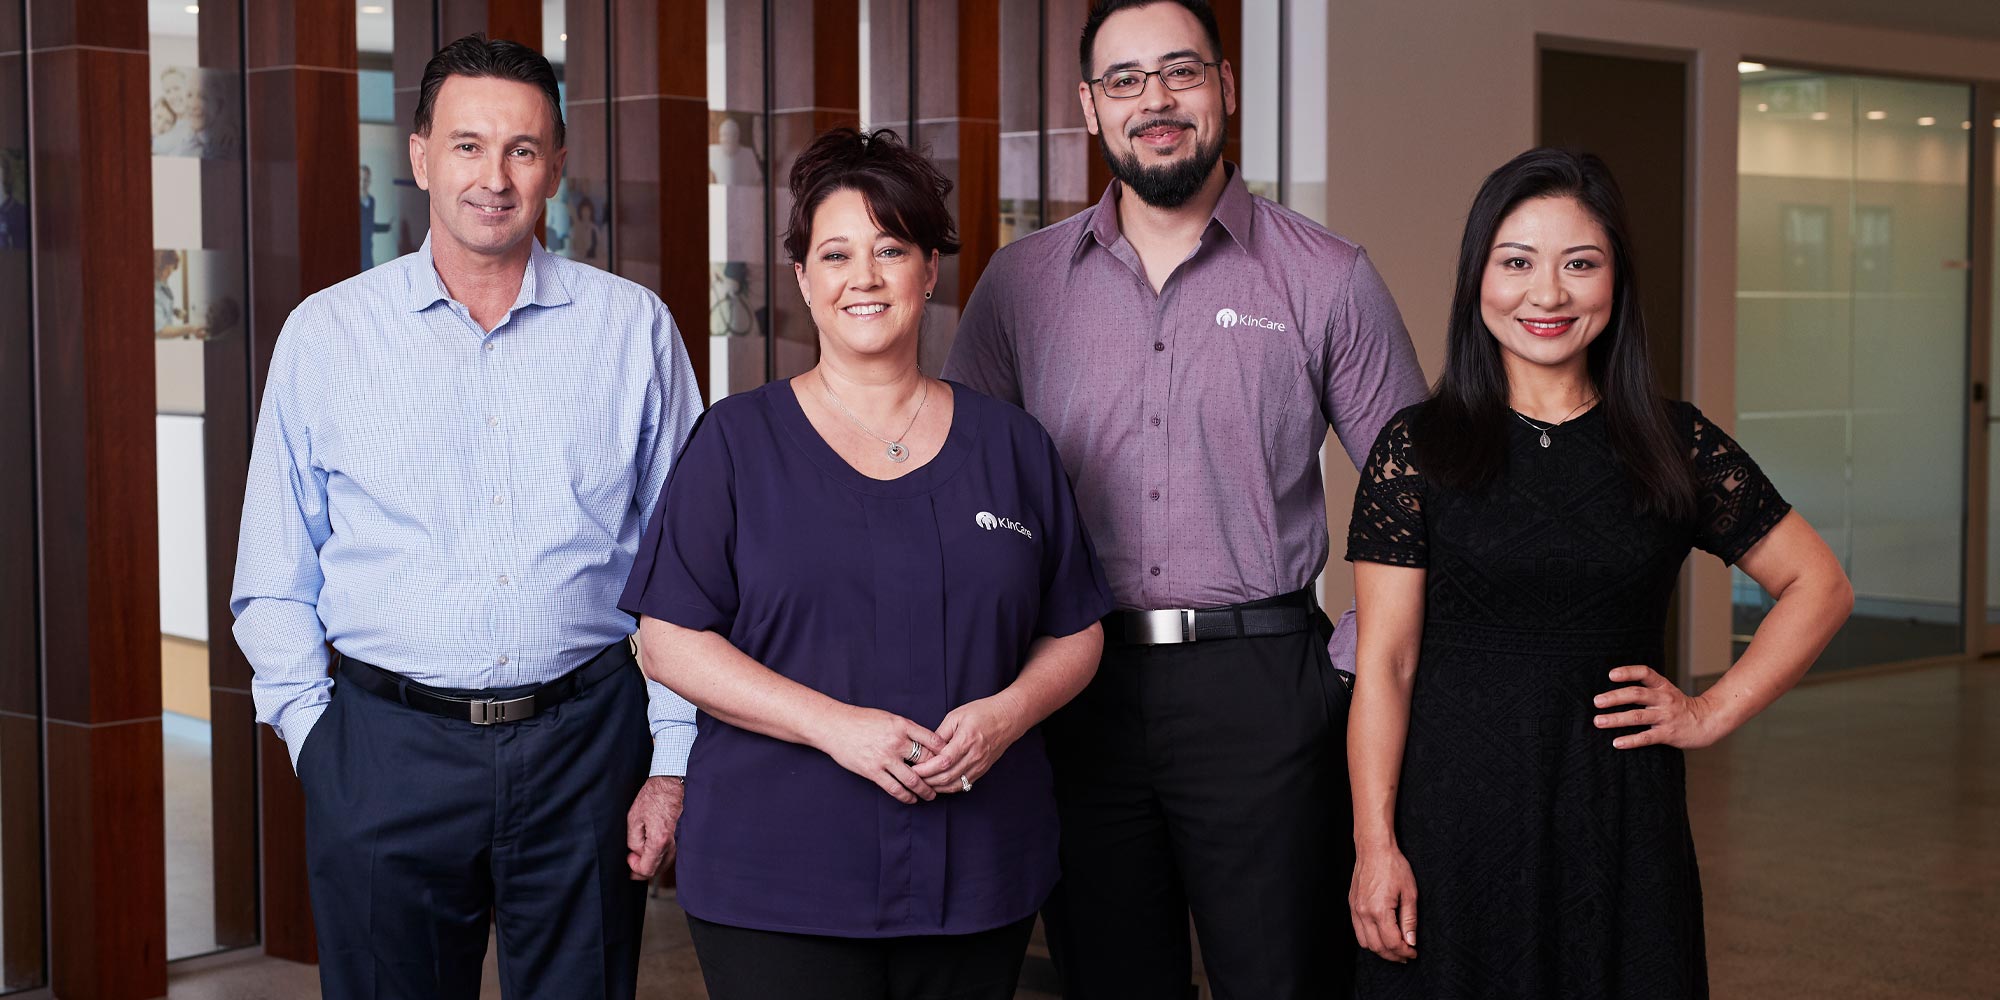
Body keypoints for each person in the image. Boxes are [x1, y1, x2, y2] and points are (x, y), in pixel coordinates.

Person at [943, 2, 1427, 996]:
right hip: (1076, 694)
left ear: (1225, 87)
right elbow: (963, 496)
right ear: (1087, 106)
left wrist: (1336, 677)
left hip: (1266, 693)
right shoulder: (1018, 285)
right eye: (1123, 80)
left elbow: (1414, 500)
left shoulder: (1325, 278)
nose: (1154, 101)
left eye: (1179, 72)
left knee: (1281, 977)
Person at [230, 34, 702, 999]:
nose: (495, 176)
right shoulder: (328, 333)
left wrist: (674, 754)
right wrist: (317, 744)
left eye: (523, 150)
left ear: (558, 165)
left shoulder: (633, 331)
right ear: (418, 155)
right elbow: (274, 569)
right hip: (383, 754)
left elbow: (688, 569)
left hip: (585, 748)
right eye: (468, 145)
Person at [1344, 148, 1853, 999]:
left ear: (1616, 282)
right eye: (1517, 263)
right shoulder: (1418, 448)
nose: (1547, 295)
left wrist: (1710, 710)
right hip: (1455, 823)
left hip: (1618, 820)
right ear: (1479, 278)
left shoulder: (1672, 442)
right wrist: (1374, 846)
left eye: (1580, 264)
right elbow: (1386, 668)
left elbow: (1819, 585)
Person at [621, 126, 1113, 1000]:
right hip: (776, 873)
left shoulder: (1012, 446)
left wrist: (1005, 715)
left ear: (929, 270)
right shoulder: (736, 442)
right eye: (837, 253)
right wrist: (833, 726)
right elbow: (668, 642)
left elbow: (1075, 631)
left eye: (891, 249)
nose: (866, 277)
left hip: (978, 869)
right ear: (804, 279)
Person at [360, 164, 392, 270]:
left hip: (368, 251)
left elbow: (369, 226)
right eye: (361, 179)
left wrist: (386, 227)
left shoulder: (371, 201)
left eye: (366, 180)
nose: (363, 183)